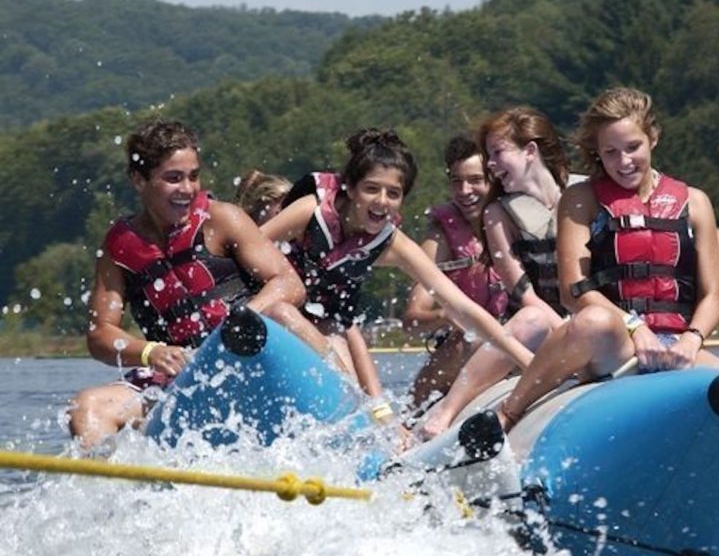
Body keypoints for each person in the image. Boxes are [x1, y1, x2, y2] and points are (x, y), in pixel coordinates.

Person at [492, 88, 719, 498]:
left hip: (676, 344)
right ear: (597, 153)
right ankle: (507, 415)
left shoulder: (695, 203)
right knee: (594, 319)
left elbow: (711, 298)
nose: (623, 161)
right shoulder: (582, 200)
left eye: (632, 147)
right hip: (614, 341)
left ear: (653, 138)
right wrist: (633, 327)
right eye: (610, 152)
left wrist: (692, 339)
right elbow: (573, 290)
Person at [67, 120, 342, 448]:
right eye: (173, 178)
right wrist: (152, 352)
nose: (187, 188)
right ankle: (114, 494)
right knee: (87, 407)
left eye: (193, 176)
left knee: (282, 313)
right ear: (139, 180)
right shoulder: (119, 247)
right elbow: (100, 335)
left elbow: (289, 284)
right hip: (182, 376)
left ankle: (364, 417)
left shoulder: (222, 219)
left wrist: (237, 323)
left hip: (248, 358)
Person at [260, 128, 534, 416]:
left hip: (320, 326)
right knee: (285, 312)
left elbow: (461, 306)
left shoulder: (391, 243)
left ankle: (366, 416)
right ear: (350, 189)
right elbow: (247, 248)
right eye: (371, 189)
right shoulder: (311, 212)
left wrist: (529, 361)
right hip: (267, 309)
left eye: (394, 193)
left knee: (342, 370)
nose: (382, 201)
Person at [414, 107, 569, 440]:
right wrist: (570, 334)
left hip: (586, 328)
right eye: (489, 156)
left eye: (496, 154)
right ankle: (443, 413)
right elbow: (525, 295)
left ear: (530, 151)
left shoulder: (582, 197)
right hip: (535, 333)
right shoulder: (496, 215)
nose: (491, 165)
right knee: (529, 319)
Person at [236, 168, 382, 399]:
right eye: (284, 212)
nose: (294, 221)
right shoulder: (247, 261)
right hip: (260, 351)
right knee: (286, 314)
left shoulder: (304, 259)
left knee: (336, 326)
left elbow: (347, 327)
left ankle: (365, 407)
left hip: (308, 353)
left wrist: (379, 404)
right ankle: (356, 401)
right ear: (257, 218)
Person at [402, 136, 509, 408]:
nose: (464, 190)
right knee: (467, 337)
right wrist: (448, 315)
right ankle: (408, 422)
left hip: (522, 337)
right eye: (456, 181)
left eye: (475, 180)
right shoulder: (441, 238)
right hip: (465, 350)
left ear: (495, 179)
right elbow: (412, 321)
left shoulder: (521, 222)